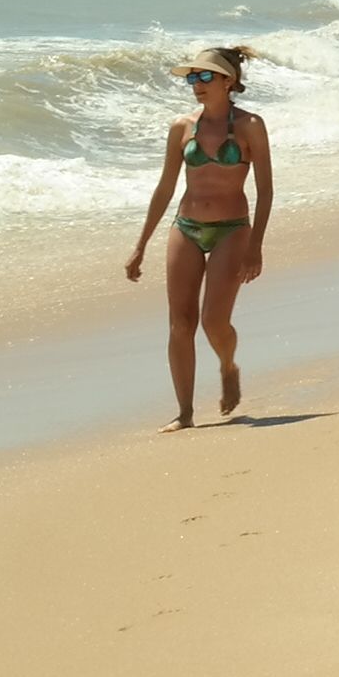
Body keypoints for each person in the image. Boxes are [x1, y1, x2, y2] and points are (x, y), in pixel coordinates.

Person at [126, 44, 271, 430]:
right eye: (193, 77)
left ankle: (227, 365)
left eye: (205, 76)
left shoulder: (250, 126)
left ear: (229, 81)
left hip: (232, 230)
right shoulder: (182, 127)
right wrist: (140, 246)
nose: (197, 84)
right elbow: (164, 189)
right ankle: (185, 413)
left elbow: (266, 190)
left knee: (213, 322)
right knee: (180, 323)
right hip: (185, 228)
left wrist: (256, 245)